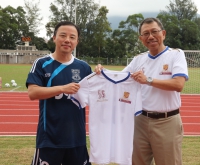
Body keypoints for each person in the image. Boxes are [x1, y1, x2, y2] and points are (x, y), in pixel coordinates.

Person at [95, 17, 189, 165]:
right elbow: (120, 79)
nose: (150, 36)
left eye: (154, 32)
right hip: (140, 120)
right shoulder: (138, 59)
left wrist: (148, 80)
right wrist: (103, 71)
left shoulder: (176, 54)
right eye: (145, 34)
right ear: (141, 39)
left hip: (167, 121)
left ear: (163, 33)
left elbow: (178, 84)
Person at [26, 21, 92, 165]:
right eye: (63, 35)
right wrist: (62, 88)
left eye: (72, 37)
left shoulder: (84, 67)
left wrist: (100, 74)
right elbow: (33, 92)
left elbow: (96, 95)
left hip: (77, 139)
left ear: (77, 41)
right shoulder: (41, 63)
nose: (67, 40)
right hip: (49, 139)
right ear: (54, 37)